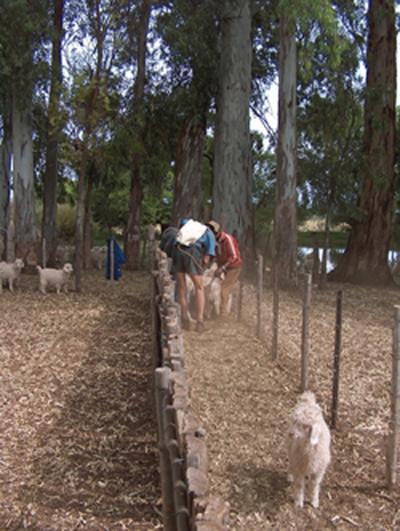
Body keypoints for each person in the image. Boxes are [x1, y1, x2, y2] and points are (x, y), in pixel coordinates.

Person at [171, 218, 216, 333]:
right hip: (192, 252)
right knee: (199, 287)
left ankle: (185, 320)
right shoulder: (209, 233)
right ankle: (200, 322)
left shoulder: (185, 227)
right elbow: (206, 259)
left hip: (177, 251)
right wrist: (200, 267)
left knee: (181, 287)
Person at [207, 220, 242, 318]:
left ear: (216, 232)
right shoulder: (215, 242)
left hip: (233, 267)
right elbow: (218, 255)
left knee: (225, 289)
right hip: (223, 265)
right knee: (218, 287)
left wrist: (223, 268)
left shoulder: (228, 239)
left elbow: (234, 256)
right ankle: (217, 309)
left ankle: (223, 313)